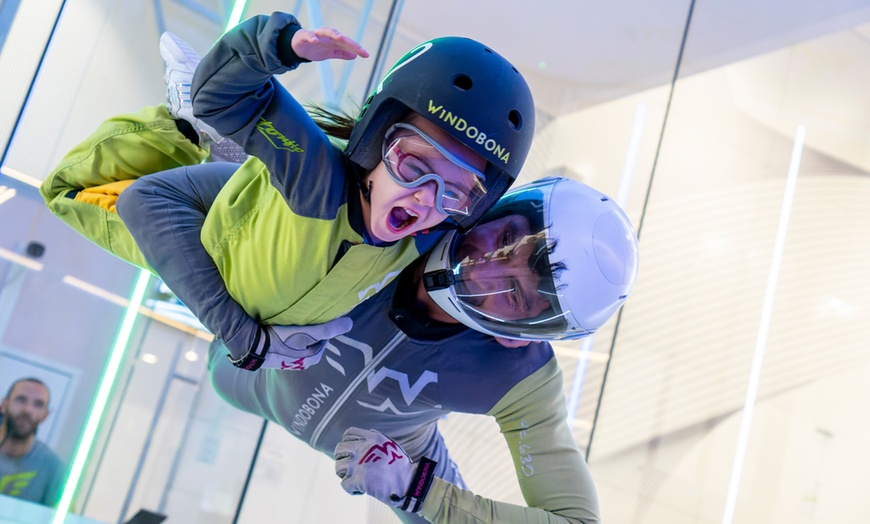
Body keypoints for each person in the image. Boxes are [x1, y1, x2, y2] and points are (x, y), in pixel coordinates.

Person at [40, 12, 535, 371]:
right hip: (190, 207)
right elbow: (145, 198)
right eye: (414, 164)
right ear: (374, 138)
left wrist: (518, 330)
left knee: (242, 188)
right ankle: (199, 132)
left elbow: (494, 257)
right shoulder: (314, 182)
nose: (426, 198)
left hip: (245, 244)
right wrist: (280, 45)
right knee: (112, 187)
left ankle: (223, 145)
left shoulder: (421, 240)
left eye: (456, 193)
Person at [208, 176, 639, 523]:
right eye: (506, 237)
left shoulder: (522, 378)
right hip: (241, 368)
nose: (483, 270)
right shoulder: (407, 213)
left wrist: (418, 489)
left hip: (386, 445)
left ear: (519, 334)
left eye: (513, 295)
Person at [0, 378, 65, 507]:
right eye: (21, 400)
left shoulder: (54, 468)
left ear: (45, 415)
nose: (27, 410)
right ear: (3, 405)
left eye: (38, 404)